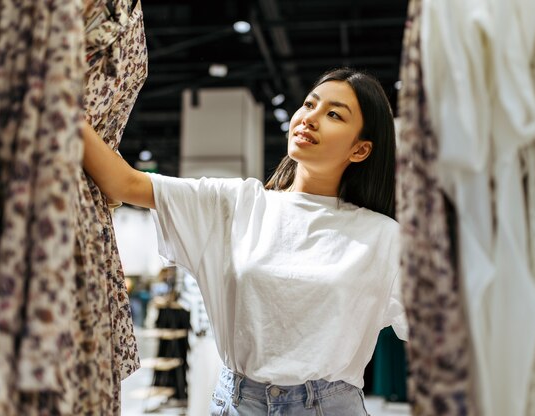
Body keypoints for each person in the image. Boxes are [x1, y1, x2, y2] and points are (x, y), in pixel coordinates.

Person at [82, 67, 407, 415]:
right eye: (309, 104)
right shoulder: (237, 204)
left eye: (333, 115)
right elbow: (125, 183)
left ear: (360, 150)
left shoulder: (385, 238)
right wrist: (59, 101)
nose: (310, 118)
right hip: (239, 403)